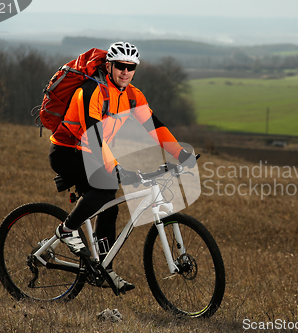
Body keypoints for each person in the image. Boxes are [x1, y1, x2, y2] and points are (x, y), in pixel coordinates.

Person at [48, 41, 195, 293]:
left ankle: (105, 268)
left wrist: (180, 153)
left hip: (91, 153)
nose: (125, 71)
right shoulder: (91, 90)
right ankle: (66, 230)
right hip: (67, 151)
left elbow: (155, 127)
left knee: (109, 207)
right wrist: (116, 168)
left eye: (131, 67)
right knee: (105, 190)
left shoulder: (132, 95)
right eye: (120, 66)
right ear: (109, 66)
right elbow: (93, 137)